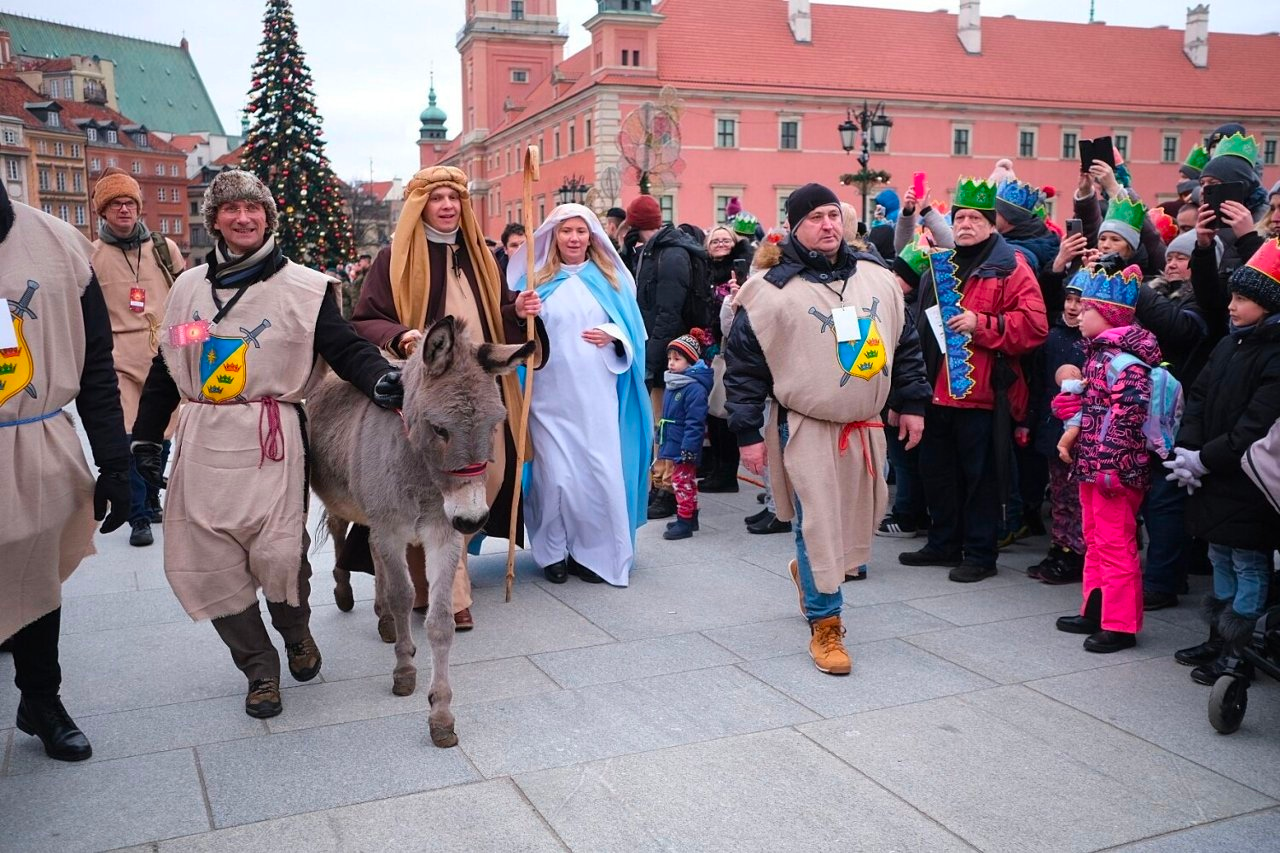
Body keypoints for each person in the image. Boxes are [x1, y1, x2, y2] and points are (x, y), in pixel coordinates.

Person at [131, 170, 403, 719]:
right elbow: (169, 364)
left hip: (271, 437)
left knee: (280, 554)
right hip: (203, 439)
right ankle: (258, 668)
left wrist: (380, 378)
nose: (243, 218)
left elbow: (344, 347)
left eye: (253, 208)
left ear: (268, 217)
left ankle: (295, 631)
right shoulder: (188, 289)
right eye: (230, 209)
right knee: (210, 562)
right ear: (214, 220)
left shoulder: (305, 288)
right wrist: (146, 437)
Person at [724, 183, 930, 675]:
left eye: (833, 215)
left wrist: (912, 402)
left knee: (854, 520)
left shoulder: (876, 279)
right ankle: (826, 622)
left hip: (865, 425)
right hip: (806, 426)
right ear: (795, 226)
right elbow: (744, 369)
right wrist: (747, 434)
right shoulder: (770, 291)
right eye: (816, 217)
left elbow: (905, 344)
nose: (828, 225)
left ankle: (811, 571)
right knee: (815, 523)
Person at [350, 166, 545, 632]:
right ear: (420, 206)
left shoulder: (482, 257)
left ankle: (433, 582)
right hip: (430, 392)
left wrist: (516, 309)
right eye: (437, 198)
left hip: (478, 388)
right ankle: (451, 594)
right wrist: (402, 336)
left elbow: (493, 313)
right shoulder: (393, 258)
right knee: (431, 486)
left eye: (454, 198)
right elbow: (365, 319)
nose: (447, 206)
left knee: (486, 475)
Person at [1, 183, 132, 761]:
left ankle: (41, 699)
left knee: (35, 573)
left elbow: (96, 364)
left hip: (35, 439)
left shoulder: (59, 245)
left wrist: (115, 461)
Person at [903, 178, 1049, 581]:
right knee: (937, 473)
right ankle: (943, 543)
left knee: (981, 478)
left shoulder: (1011, 266)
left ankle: (981, 554)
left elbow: (1034, 327)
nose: (966, 224)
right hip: (936, 391)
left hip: (983, 394)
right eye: (960, 218)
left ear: (990, 223)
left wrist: (980, 324)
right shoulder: (939, 264)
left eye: (975, 218)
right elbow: (920, 326)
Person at [509, 203, 651, 585]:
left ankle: (595, 552)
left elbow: (634, 334)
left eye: (580, 231)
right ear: (554, 236)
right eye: (566, 231)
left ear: (592, 237)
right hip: (547, 394)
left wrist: (613, 335)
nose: (573, 238)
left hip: (596, 395)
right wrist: (521, 312)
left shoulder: (612, 281)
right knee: (553, 476)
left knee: (597, 473)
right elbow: (512, 332)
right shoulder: (533, 282)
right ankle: (552, 551)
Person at [1167, 238, 1280, 684]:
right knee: (1220, 554)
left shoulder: (1274, 353)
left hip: (1247, 480)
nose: (1231, 306)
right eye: (1232, 296)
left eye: (1242, 299)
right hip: (1213, 474)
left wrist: (1205, 459)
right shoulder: (1229, 344)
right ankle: (1219, 636)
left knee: (1248, 563)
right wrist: (1187, 449)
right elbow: (1198, 396)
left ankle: (1241, 652)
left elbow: (1256, 426)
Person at [1052, 264, 1160, 653]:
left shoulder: (1125, 363)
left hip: (1114, 471)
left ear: (1110, 316)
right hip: (1092, 466)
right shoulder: (1098, 355)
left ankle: (1121, 625)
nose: (1079, 314)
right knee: (1095, 539)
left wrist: (1111, 465)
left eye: (1088, 309)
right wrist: (1072, 411)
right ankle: (1096, 609)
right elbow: (1095, 408)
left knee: (1116, 545)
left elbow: (1129, 417)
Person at [89, 168, 185, 548]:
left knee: (162, 435)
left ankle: (152, 493)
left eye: (129, 202)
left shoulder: (164, 248)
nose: (124, 209)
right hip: (119, 359)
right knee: (131, 436)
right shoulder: (93, 256)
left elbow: (184, 296)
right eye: (115, 204)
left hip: (164, 353)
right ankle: (139, 515)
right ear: (103, 212)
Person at [625, 194, 706, 520]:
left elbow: (667, 312)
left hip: (669, 355)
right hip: (661, 351)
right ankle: (660, 485)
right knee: (660, 423)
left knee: (667, 424)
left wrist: (653, 358)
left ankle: (668, 490)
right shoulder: (654, 250)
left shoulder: (670, 254)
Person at [1026, 280, 1086, 584]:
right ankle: (1059, 547)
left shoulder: (1091, 342)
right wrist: (1029, 422)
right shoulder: (1052, 337)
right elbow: (1038, 385)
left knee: (1078, 499)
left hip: (1081, 434)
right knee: (1060, 494)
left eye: (1080, 301)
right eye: (1069, 299)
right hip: (1053, 428)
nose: (1073, 307)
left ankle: (1076, 552)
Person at [700, 225, 751, 493]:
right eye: (715, 241)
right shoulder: (703, 271)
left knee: (725, 412)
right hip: (707, 348)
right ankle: (716, 468)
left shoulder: (740, 273)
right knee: (713, 412)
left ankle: (727, 473)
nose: (720, 244)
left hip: (731, 349)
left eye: (725, 240)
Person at [657, 329, 713, 540]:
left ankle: (685, 521)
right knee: (685, 480)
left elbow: (695, 422)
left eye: (677, 359)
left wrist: (689, 448)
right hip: (675, 440)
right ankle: (690, 517)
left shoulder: (693, 389)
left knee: (682, 482)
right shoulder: (675, 382)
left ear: (690, 361)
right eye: (669, 359)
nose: (671, 363)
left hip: (685, 445)